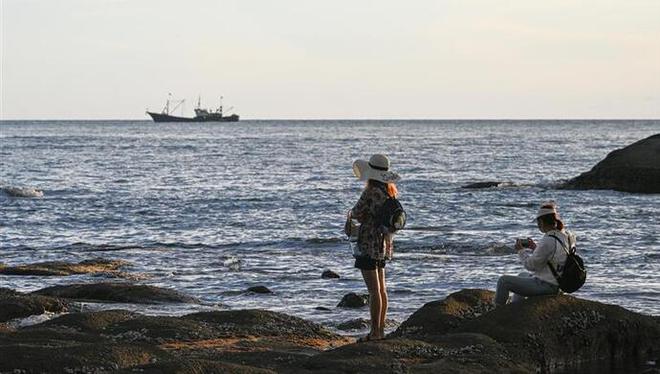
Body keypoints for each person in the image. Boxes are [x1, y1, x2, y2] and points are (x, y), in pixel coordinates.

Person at [348, 154, 400, 341]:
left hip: (368, 243)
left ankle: (374, 333)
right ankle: (380, 330)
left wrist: (353, 215)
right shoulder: (389, 192)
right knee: (382, 290)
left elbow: (356, 212)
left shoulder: (370, 192)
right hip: (383, 244)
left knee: (373, 291)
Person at [494, 201, 576, 306]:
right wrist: (535, 248)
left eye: (538, 223)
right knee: (522, 275)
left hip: (546, 285)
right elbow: (555, 257)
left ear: (541, 222)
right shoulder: (568, 236)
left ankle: (498, 312)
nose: (538, 225)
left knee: (503, 281)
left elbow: (531, 266)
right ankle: (515, 309)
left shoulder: (548, 240)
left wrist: (521, 251)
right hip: (559, 283)